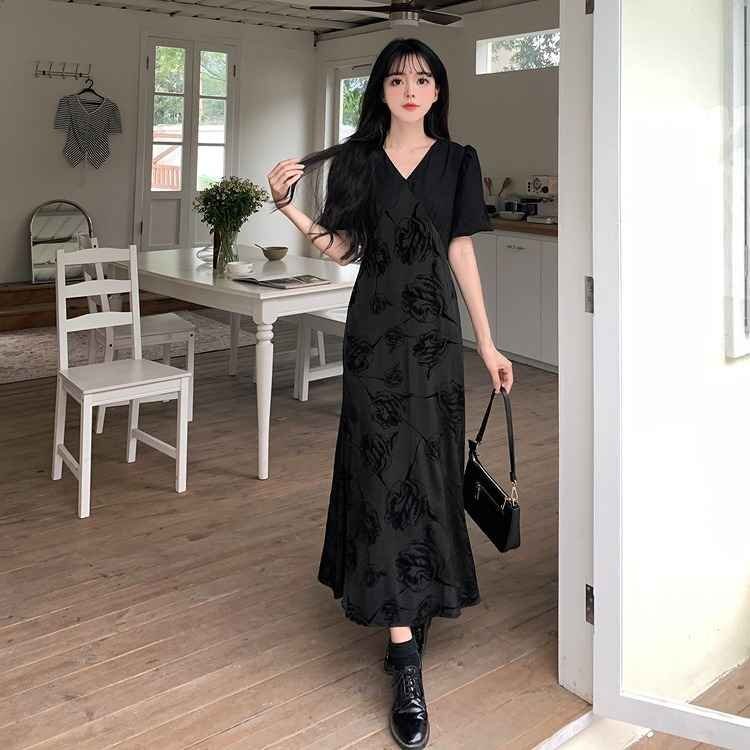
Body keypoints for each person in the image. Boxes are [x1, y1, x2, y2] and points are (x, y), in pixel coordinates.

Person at [266, 37, 513, 750]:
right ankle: (405, 657)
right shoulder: (357, 163)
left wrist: (488, 343)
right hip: (374, 338)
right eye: (398, 79)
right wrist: (287, 209)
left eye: (423, 79)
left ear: (438, 92)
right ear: (380, 90)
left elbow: (461, 250)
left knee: (429, 472)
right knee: (380, 476)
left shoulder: (459, 161)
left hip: (435, 339)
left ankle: (413, 596)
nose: (411, 89)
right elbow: (346, 249)